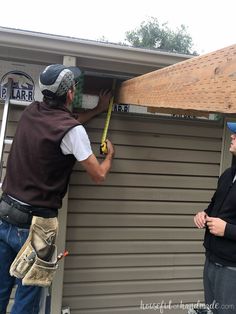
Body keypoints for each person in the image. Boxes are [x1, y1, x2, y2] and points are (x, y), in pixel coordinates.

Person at [0, 64, 115, 314]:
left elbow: (67, 125)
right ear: (71, 94)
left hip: (4, 214)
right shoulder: (73, 131)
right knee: (27, 297)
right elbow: (99, 175)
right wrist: (110, 157)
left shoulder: (33, 111)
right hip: (34, 227)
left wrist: (97, 111)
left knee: (0, 290)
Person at [194, 121, 236, 314]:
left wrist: (226, 229)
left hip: (231, 269)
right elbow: (214, 206)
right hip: (210, 261)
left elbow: (225, 224)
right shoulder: (227, 175)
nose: (233, 136)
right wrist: (203, 215)